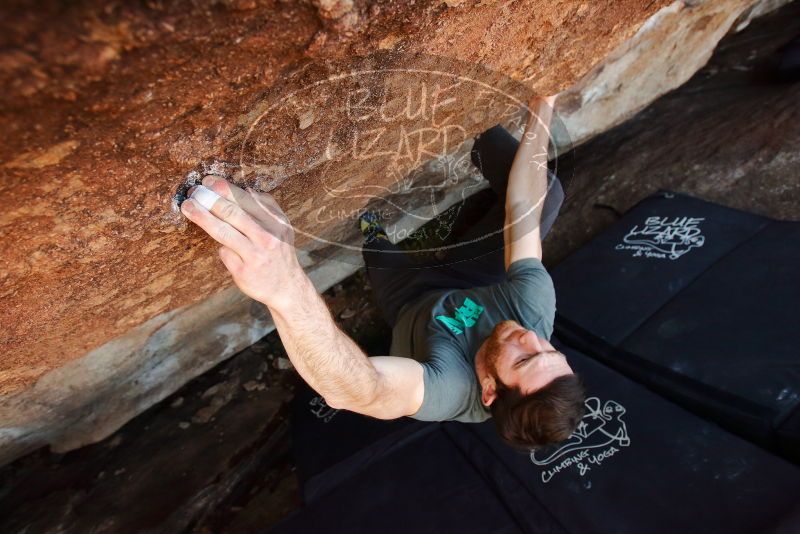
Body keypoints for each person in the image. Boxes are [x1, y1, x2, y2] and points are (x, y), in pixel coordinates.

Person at [180, 95, 585, 450]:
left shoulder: (451, 391)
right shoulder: (532, 313)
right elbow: (523, 211)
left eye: (526, 359)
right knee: (548, 196)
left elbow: (359, 390)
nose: (533, 337)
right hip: (475, 277)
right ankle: (475, 122)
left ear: (490, 391)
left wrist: (285, 287)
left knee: (379, 251)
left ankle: (373, 231)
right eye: (551, 350)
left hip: (409, 302)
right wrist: (543, 101)